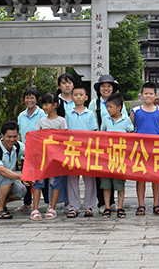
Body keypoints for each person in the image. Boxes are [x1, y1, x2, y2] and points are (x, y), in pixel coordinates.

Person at [89, 74, 127, 211]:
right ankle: (102, 203)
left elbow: (125, 120)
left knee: (115, 172)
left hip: (117, 145)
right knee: (101, 174)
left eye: (109, 86)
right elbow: (91, 121)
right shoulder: (94, 103)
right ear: (99, 89)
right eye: (103, 86)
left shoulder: (120, 103)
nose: (106, 88)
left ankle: (113, 203)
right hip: (100, 144)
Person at [30, 92, 67, 221]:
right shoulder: (41, 121)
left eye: (47, 104)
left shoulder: (61, 121)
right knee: (38, 183)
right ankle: (35, 209)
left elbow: (65, 139)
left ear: (55, 105)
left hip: (55, 158)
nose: (44, 107)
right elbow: (35, 137)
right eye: (43, 104)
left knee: (54, 183)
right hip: (42, 157)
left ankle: (52, 208)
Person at [130, 82, 159, 216]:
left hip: (156, 149)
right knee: (141, 177)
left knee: (157, 177)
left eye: (151, 93)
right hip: (140, 149)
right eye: (146, 93)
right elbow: (131, 128)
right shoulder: (135, 111)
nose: (148, 96)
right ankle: (141, 204)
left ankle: (156, 204)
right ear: (141, 95)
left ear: (156, 95)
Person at [64, 85, 98, 218]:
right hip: (72, 150)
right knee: (72, 179)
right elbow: (65, 132)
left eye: (81, 95)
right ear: (72, 97)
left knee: (89, 179)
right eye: (76, 95)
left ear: (86, 97)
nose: (78, 97)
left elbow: (94, 132)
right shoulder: (68, 114)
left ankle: (89, 206)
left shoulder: (90, 114)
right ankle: (74, 207)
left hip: (87, 150)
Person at [99, 93, 134, 218]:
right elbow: (101, 134)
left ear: (119, 107)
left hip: (120, 157)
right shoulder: (105, 119)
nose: (108, 109)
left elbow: (132, 134)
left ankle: (120, 207)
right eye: (107, 107)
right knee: (106, 184)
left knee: (119, 184)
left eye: (110, 107)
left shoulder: (126, 120)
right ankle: (107, 207)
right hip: (107, 157)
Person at [15, 88, 46, 212]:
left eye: (32, 97)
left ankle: (48, 203)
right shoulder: (21, 115)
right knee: (26, 179)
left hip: (39, 153)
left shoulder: (42, 114)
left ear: (36, 99)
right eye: (27, 97)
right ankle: (27, 203)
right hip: (25, 153)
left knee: (42, 178)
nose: (29, 100)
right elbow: (19, 134)